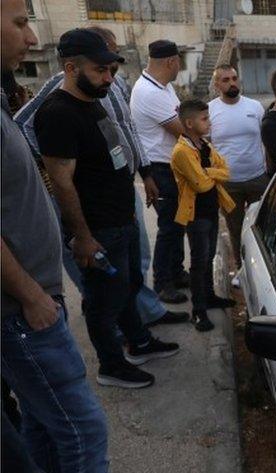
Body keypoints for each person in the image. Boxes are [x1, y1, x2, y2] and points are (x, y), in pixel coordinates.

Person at [1, 19, 137, 473]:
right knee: (82, 430)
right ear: (73, 68)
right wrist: (33, 295)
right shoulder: (57, 111)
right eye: (18, 22)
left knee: (42, 422)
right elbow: (60, 178)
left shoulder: (77, 102)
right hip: (24, 307)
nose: (31, 38)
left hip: (34, 295)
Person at [15, 26, 187, 328]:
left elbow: (128, 128)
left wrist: (144, 172)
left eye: (111, 62)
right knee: (105, 279)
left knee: (135, 262)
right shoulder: (62, 93)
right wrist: (49, 164)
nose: (109, 70)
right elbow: (23, 123)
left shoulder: (110, 84)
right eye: (101, 62)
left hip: (121, 186)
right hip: (93, 198)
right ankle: (119, 334)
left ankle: (142, 318)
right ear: (76, 64)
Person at [130, 39, 190, 303]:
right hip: (159, 168)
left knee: (178, 224)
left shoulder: (162, 87)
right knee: (169, 226)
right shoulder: (149, 92)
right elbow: (183, 131)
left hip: (170, 166)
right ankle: (163, 283)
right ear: (171, 61)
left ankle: (176, 273)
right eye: (179, 61)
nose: (179, 66)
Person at [171, 99, 236, 331]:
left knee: (208, 257)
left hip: (210, 210)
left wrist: (208, 171)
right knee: (199, 262)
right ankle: (198, 311)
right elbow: (201, 185)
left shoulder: (205, 146)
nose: (209, 122)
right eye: (204, 119)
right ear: (189, 123)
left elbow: (226, 171)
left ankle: (209, 297)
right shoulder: (182, 151)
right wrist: (209, 174)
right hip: (195, 214)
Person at [207, 64, 267, 282]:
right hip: (227, 183)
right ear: (217, 84)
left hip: (258, 179)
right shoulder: (210, 111)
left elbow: (265, 141)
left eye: (234, 78)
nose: (232, 83)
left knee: (261, 227)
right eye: (225, 80)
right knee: (235, 228)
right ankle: (242, 271)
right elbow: (206, 147)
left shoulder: (255, 107)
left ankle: (264, 271)